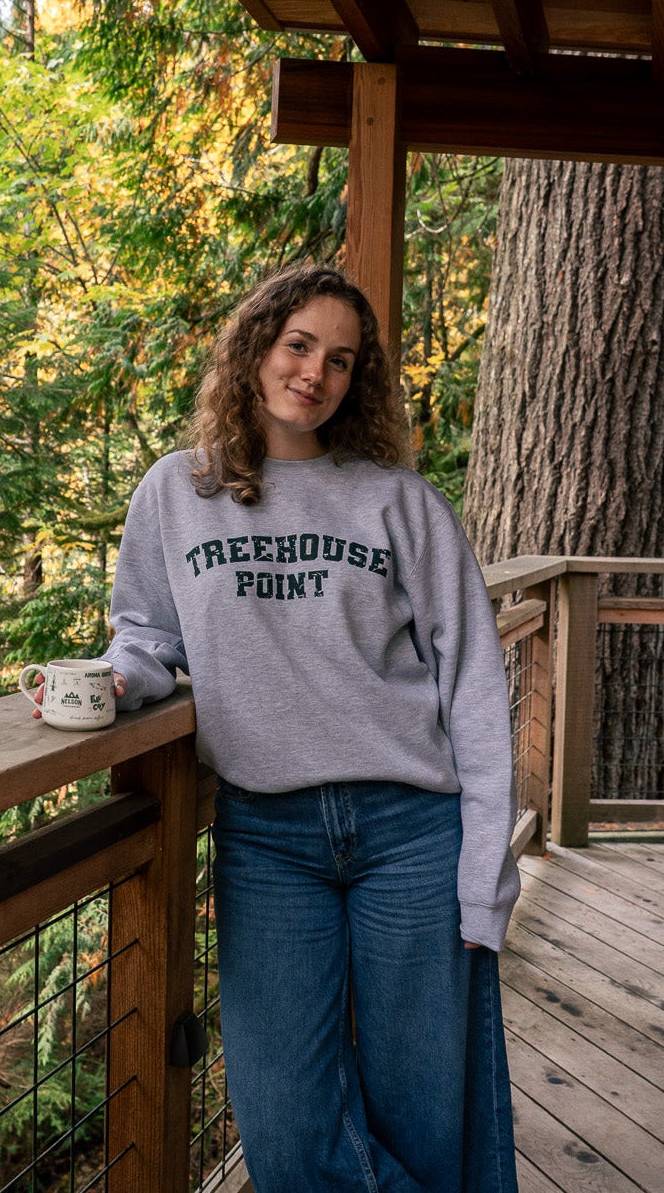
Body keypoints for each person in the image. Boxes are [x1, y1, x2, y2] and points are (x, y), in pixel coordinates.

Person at [97, 263, 521, 1192]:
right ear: (255, 349)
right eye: (298, 345)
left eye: (339, 359)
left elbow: (476, 689)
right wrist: (109, 685)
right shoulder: (175, 492)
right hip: (268, 837)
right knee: (285, 1125)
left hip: (411, 830)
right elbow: (145, 636)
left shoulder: (398, 503)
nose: (313, 373)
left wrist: (485, 870)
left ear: (354, 380)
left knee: (423, 1110)